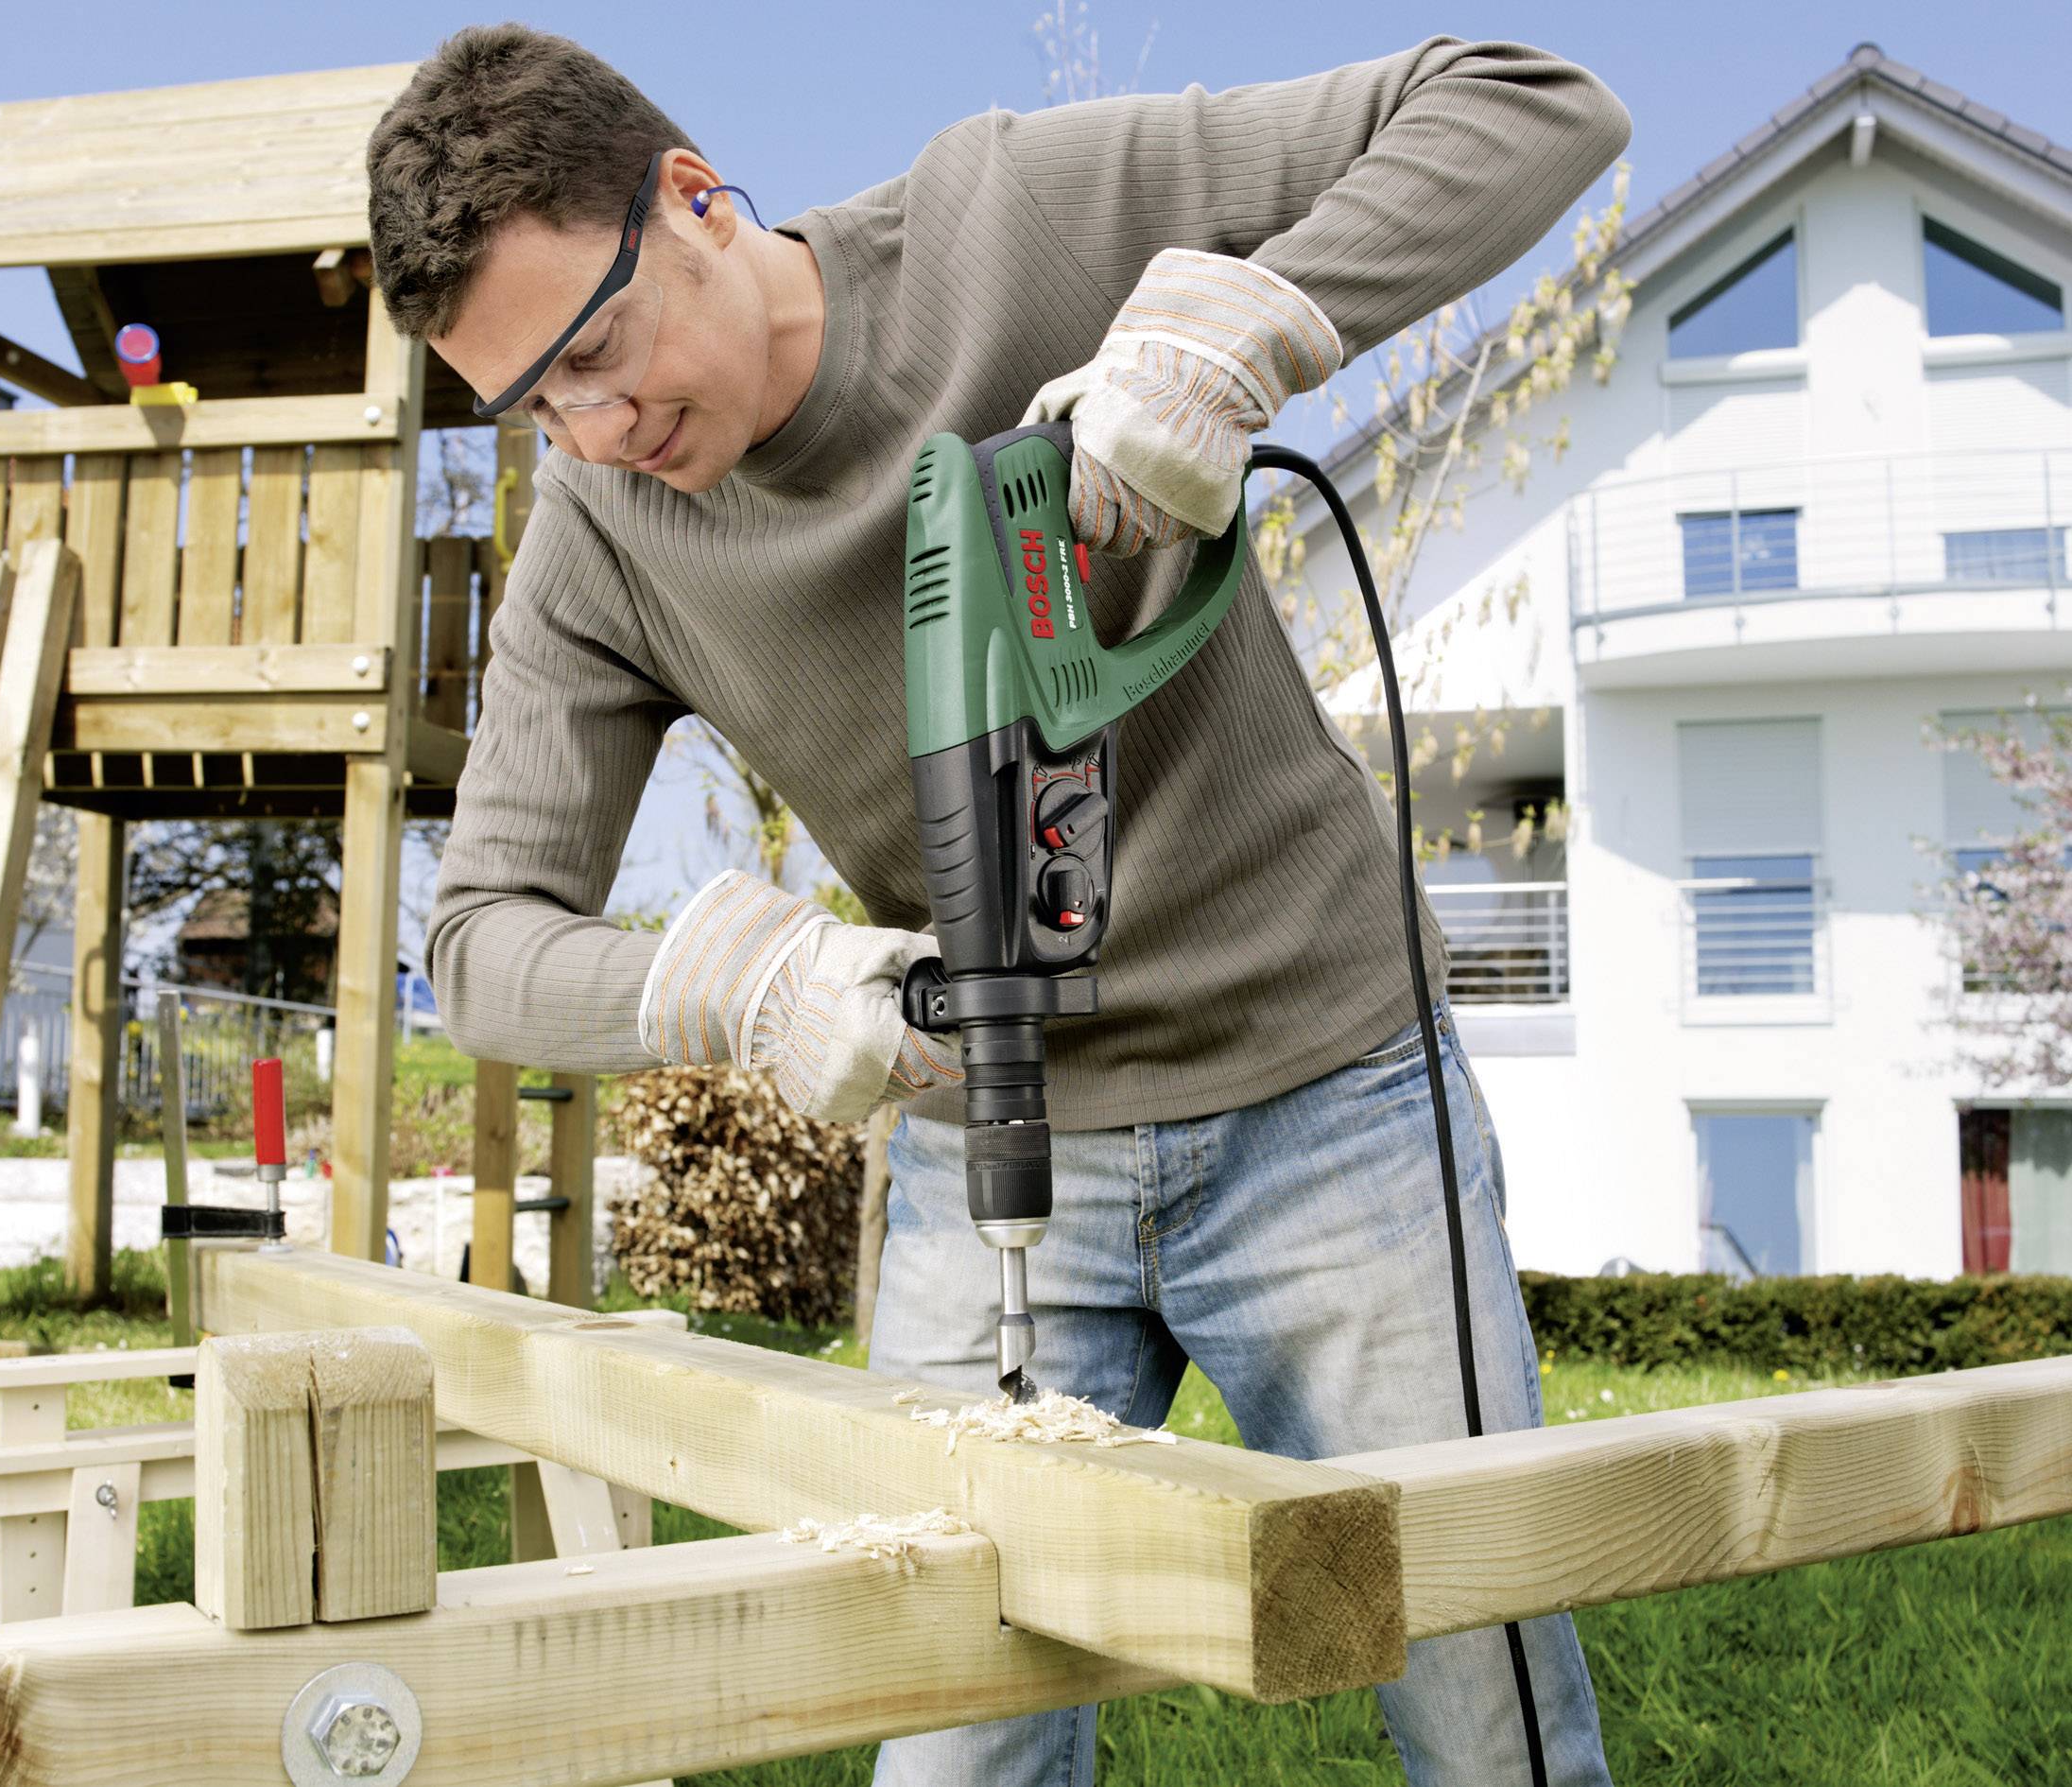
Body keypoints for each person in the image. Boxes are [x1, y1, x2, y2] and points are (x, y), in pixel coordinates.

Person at [372, 24, 1630, 1784]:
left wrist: (1240, 328)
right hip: (996, 1140)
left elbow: (1533, 103)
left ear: (692, 197)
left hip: (1328, 1089)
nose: (594, 426)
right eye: (532, 404)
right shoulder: (600, 535)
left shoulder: (1010, 219)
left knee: (1480, 1696)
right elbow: (476, 947)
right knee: (953, 1743)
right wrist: (745, 981)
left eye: (595, 344)